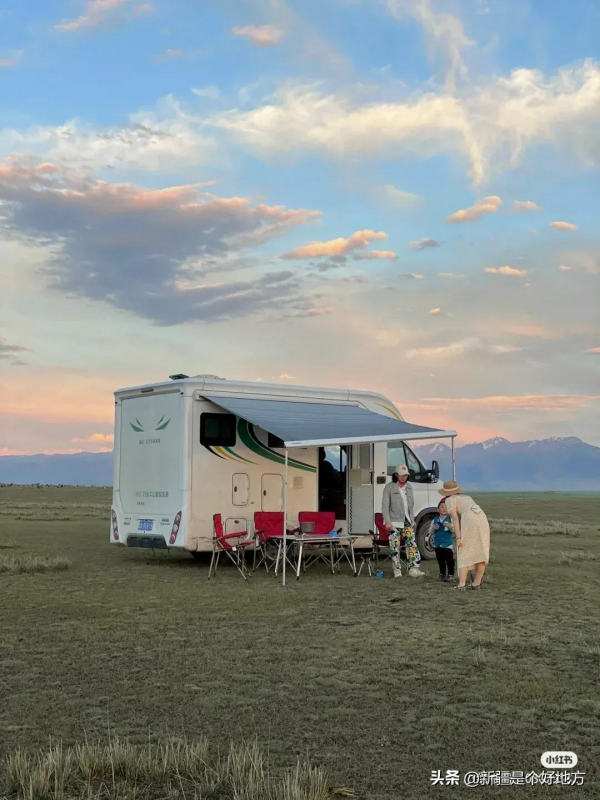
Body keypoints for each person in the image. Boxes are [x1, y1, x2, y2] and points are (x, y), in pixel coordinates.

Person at [438, 480, 490, 590]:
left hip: (470, 519)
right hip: (482, 518)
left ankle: (461, 584)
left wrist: (458, 537)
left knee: (463, 550)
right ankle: (477, 583)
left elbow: (455, 519)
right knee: (481, 551)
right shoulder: (467, 497)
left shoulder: (449, 500)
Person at [382, 464, 425, 578]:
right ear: (396, 475)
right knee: (394, 546)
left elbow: (411, 505)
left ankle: (413, 568)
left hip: (407, 521)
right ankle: (397, 570)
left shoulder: (409, 487)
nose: (403, 478)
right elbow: (385, 506)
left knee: (411, 544)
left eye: (406, 475)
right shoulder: (389, 487)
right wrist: (387, 521)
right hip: (394, 521)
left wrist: (412, 519)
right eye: (401, 475)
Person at [432, 499, 455, 582]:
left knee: (449, 560)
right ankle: (442, 573)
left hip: (447, 543)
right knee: (440, 560)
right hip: (437, 544)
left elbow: (455, 531)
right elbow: (430, 531)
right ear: (438, 509)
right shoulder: (435, 520)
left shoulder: (451, 519)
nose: (444, 509)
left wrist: (450, 526)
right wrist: (433, 528)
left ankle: (450, 574)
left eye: (446, 507)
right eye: (442, 507)